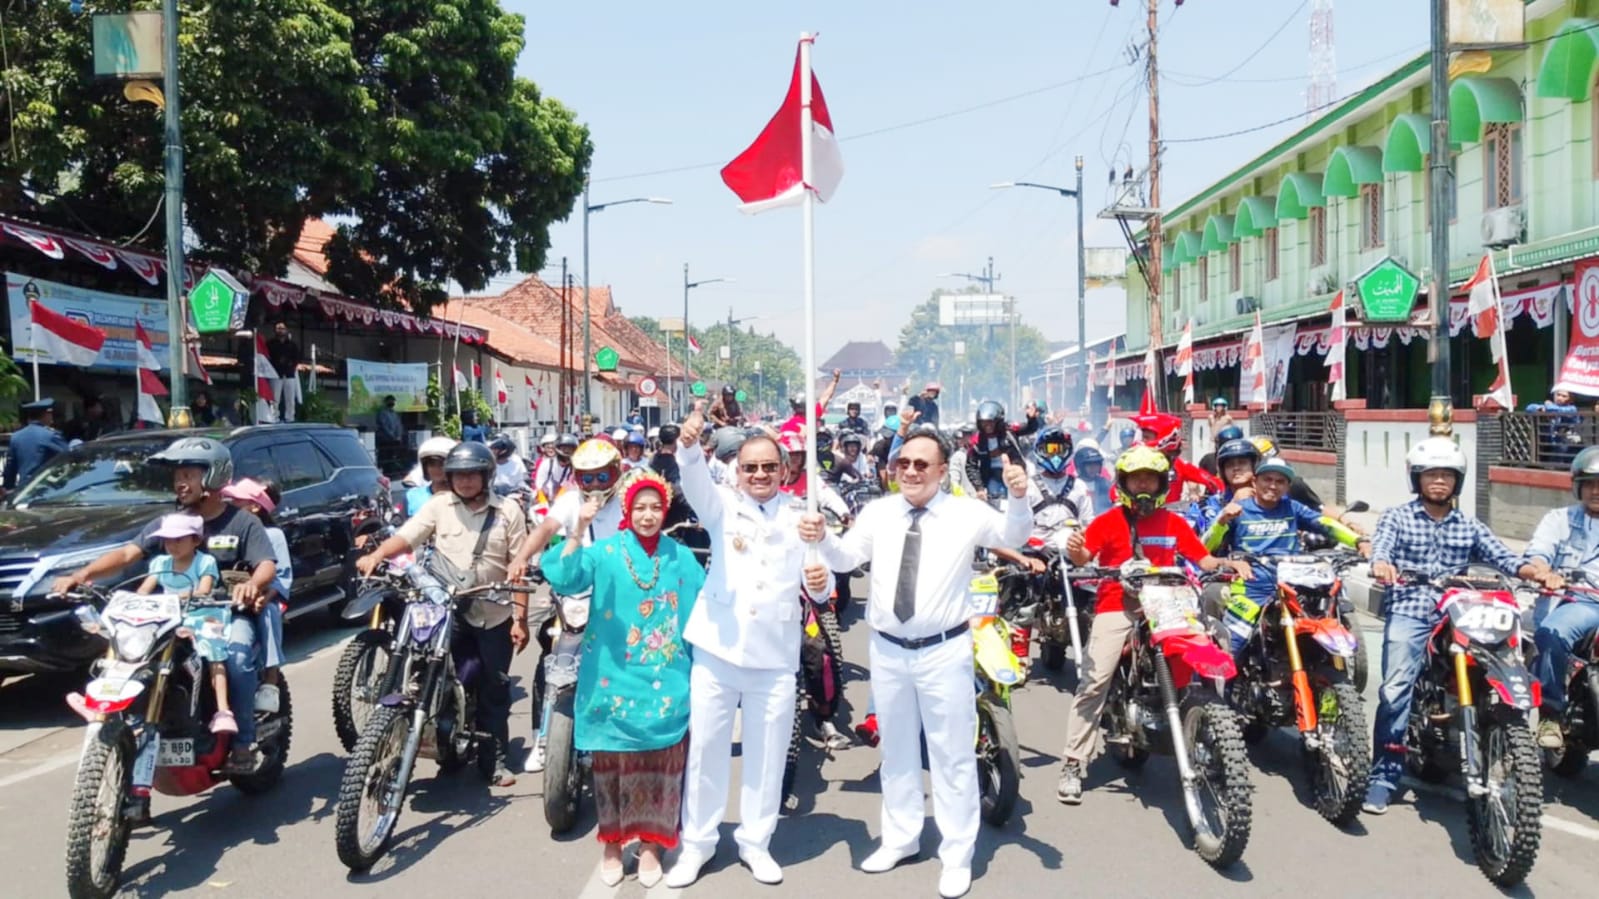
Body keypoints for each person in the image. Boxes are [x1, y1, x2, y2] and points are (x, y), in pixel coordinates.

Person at [798, 430, 1031, 899]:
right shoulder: (880, 512)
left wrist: (1019, 497)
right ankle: (901, 838)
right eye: (903, 462)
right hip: (888, 649)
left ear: (943, 470)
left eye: (921, 464)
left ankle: (957, 853)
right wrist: (823, 539)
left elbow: (1013, 535)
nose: (909, 471)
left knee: (952, 755)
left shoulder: (965, 512)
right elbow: (847, 557)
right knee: (897, 749)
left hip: (944, 649)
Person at [664, 404, 832, 889]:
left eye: (768, 467)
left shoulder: (803, 518)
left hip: (775, 656)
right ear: (738, 471)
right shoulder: (721, 506)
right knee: (708, 752)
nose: (759, 474)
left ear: (784, 471)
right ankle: (698, 843)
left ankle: (756, 842)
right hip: (718, 650)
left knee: (767, 754)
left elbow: (818, 585)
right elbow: (692, 475)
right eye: (750, 467)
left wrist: (819, 585)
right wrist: (690, 443)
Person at [51, 436, 279, 785]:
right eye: (177, 476)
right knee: (131, 659)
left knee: (236, 659)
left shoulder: (241, 522)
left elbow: (266, 564)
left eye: (188, 474)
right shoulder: (169, 523)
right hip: (171, 617)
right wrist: (82, 574)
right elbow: (129, 554)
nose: (179, 482)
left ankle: (244, 742)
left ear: (215, 476)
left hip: (225, 614)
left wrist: (252, 584)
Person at [1363, 437, 1550, 815]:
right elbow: (1381, 548)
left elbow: (1503, 558)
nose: (1439, 481)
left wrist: (1534, 570)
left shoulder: (1469, 525)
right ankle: (1384, 775)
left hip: (1461, 610)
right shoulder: (1397, 517)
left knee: (1502, 663)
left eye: (1446, 475)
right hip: (1412, 608)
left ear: (1457, 481)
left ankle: (1497, 745)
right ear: (1417, 479)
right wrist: (1382, 565)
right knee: (1396, 687)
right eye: (1431, 474)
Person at [1056, 446, 1250, 807]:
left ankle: (1215, 734)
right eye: (1136, 478)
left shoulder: (1174, 523)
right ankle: (1072, 762)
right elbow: (1085, 557)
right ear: (1125, 483)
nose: (1143, 484)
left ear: (1162, 483)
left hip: (1167, 605)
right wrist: (1077, 549)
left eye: (1150, 478)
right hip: (1119, 603)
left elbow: (1201, 557)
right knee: (1095, 681)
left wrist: (1226, 562)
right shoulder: (1108, 521)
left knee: (1208, 653)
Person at [539, 470, 703, 887]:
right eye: (640, 508)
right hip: (611, 678)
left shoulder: (680, 556)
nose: (648, 516)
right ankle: (613, 843)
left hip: (665, 681)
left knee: (661, 766)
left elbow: (706, 602)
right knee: (611, 767)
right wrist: (579, 530)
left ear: (665, 512)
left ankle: (651, 844)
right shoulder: (606, 552)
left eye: (655, 508)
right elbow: (561, 575)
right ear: (627, 511)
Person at [357, 441, 530, 786]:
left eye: (472, 475)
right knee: (431, 671)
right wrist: (378, 555)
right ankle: (441, 745)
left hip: (493, 613)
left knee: (493, 688)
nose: (465, 482)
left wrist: (520, 619)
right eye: (459, 475)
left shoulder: (508, 510)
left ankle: (493, 760)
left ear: (486, 476)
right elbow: (407, 538)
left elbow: (519, 568)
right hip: (447, 609)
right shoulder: (439, 506)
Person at [1203, 458, 1370, 651]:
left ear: (1287, 486)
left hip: (1295, 584)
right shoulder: (1239, 510)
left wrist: (1358, 540)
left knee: (1325, 623)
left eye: (1280, 481)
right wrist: (1221, 521)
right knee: (1232, 646)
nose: (1273, 486)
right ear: (1255, 481)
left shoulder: (1292, 507)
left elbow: (1325, 524)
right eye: (1267, 479)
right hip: (1252, 585)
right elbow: (1206, 547)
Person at [1520, 447, 1599, 751]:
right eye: (1590, 483)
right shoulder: (1560, 519)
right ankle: (1550, 713)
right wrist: (1544, 573)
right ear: (1578, 486)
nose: (1596, 491)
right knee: (1551, 634)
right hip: (1581, 603)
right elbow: (1538, 552)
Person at [134, 513, 231, 733]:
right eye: (168, 540)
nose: (173, 545)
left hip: (203, 615)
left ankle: (223, 710)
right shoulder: (160, 562)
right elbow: (143, 590)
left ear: (196, 540)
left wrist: (184, 596)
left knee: (214, 651)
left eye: (179, 539)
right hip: (170, 618)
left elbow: (204, 590)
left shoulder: (205, 561)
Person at [220, 478, 291, 712]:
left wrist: (264, 597)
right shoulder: (231, 531)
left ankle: (271, 679)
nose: (231, 503)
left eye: (238, 501)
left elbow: (281, 576)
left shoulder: (273, 535)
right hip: (229, 598)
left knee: (268, 615)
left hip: (266, 597)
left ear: (255, 507)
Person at [963, 400, 1040, 501]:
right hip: (992, 478)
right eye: (984, 422)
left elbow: (1030, 428)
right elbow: (971, 466)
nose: (987, 426)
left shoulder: (1010, 431)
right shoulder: (977, 441)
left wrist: (1032, 418)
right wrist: (979, 488)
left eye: (990, 422)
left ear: (998, 421)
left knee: (1022, 501)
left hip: (1015, 475)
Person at [4, 398, 69, 489]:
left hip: (24, 490)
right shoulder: (50, 436)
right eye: (50, 414)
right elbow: (69, 457)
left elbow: (10, 469)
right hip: (46, 489)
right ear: (46, 415)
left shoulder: (16, 437)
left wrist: (8, 489)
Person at [266, 321, 302, 422]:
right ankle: (274, 417)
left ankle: (290, 417)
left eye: (282, 328)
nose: (280, 331)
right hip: (275, 373)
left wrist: (291, 366)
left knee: (290, 398)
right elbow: (267, 358)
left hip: (289, 373)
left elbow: (297, 358)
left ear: (286, 330)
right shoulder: (270, 344)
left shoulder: (292, 344)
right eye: (278, 328)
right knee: (274, 398)